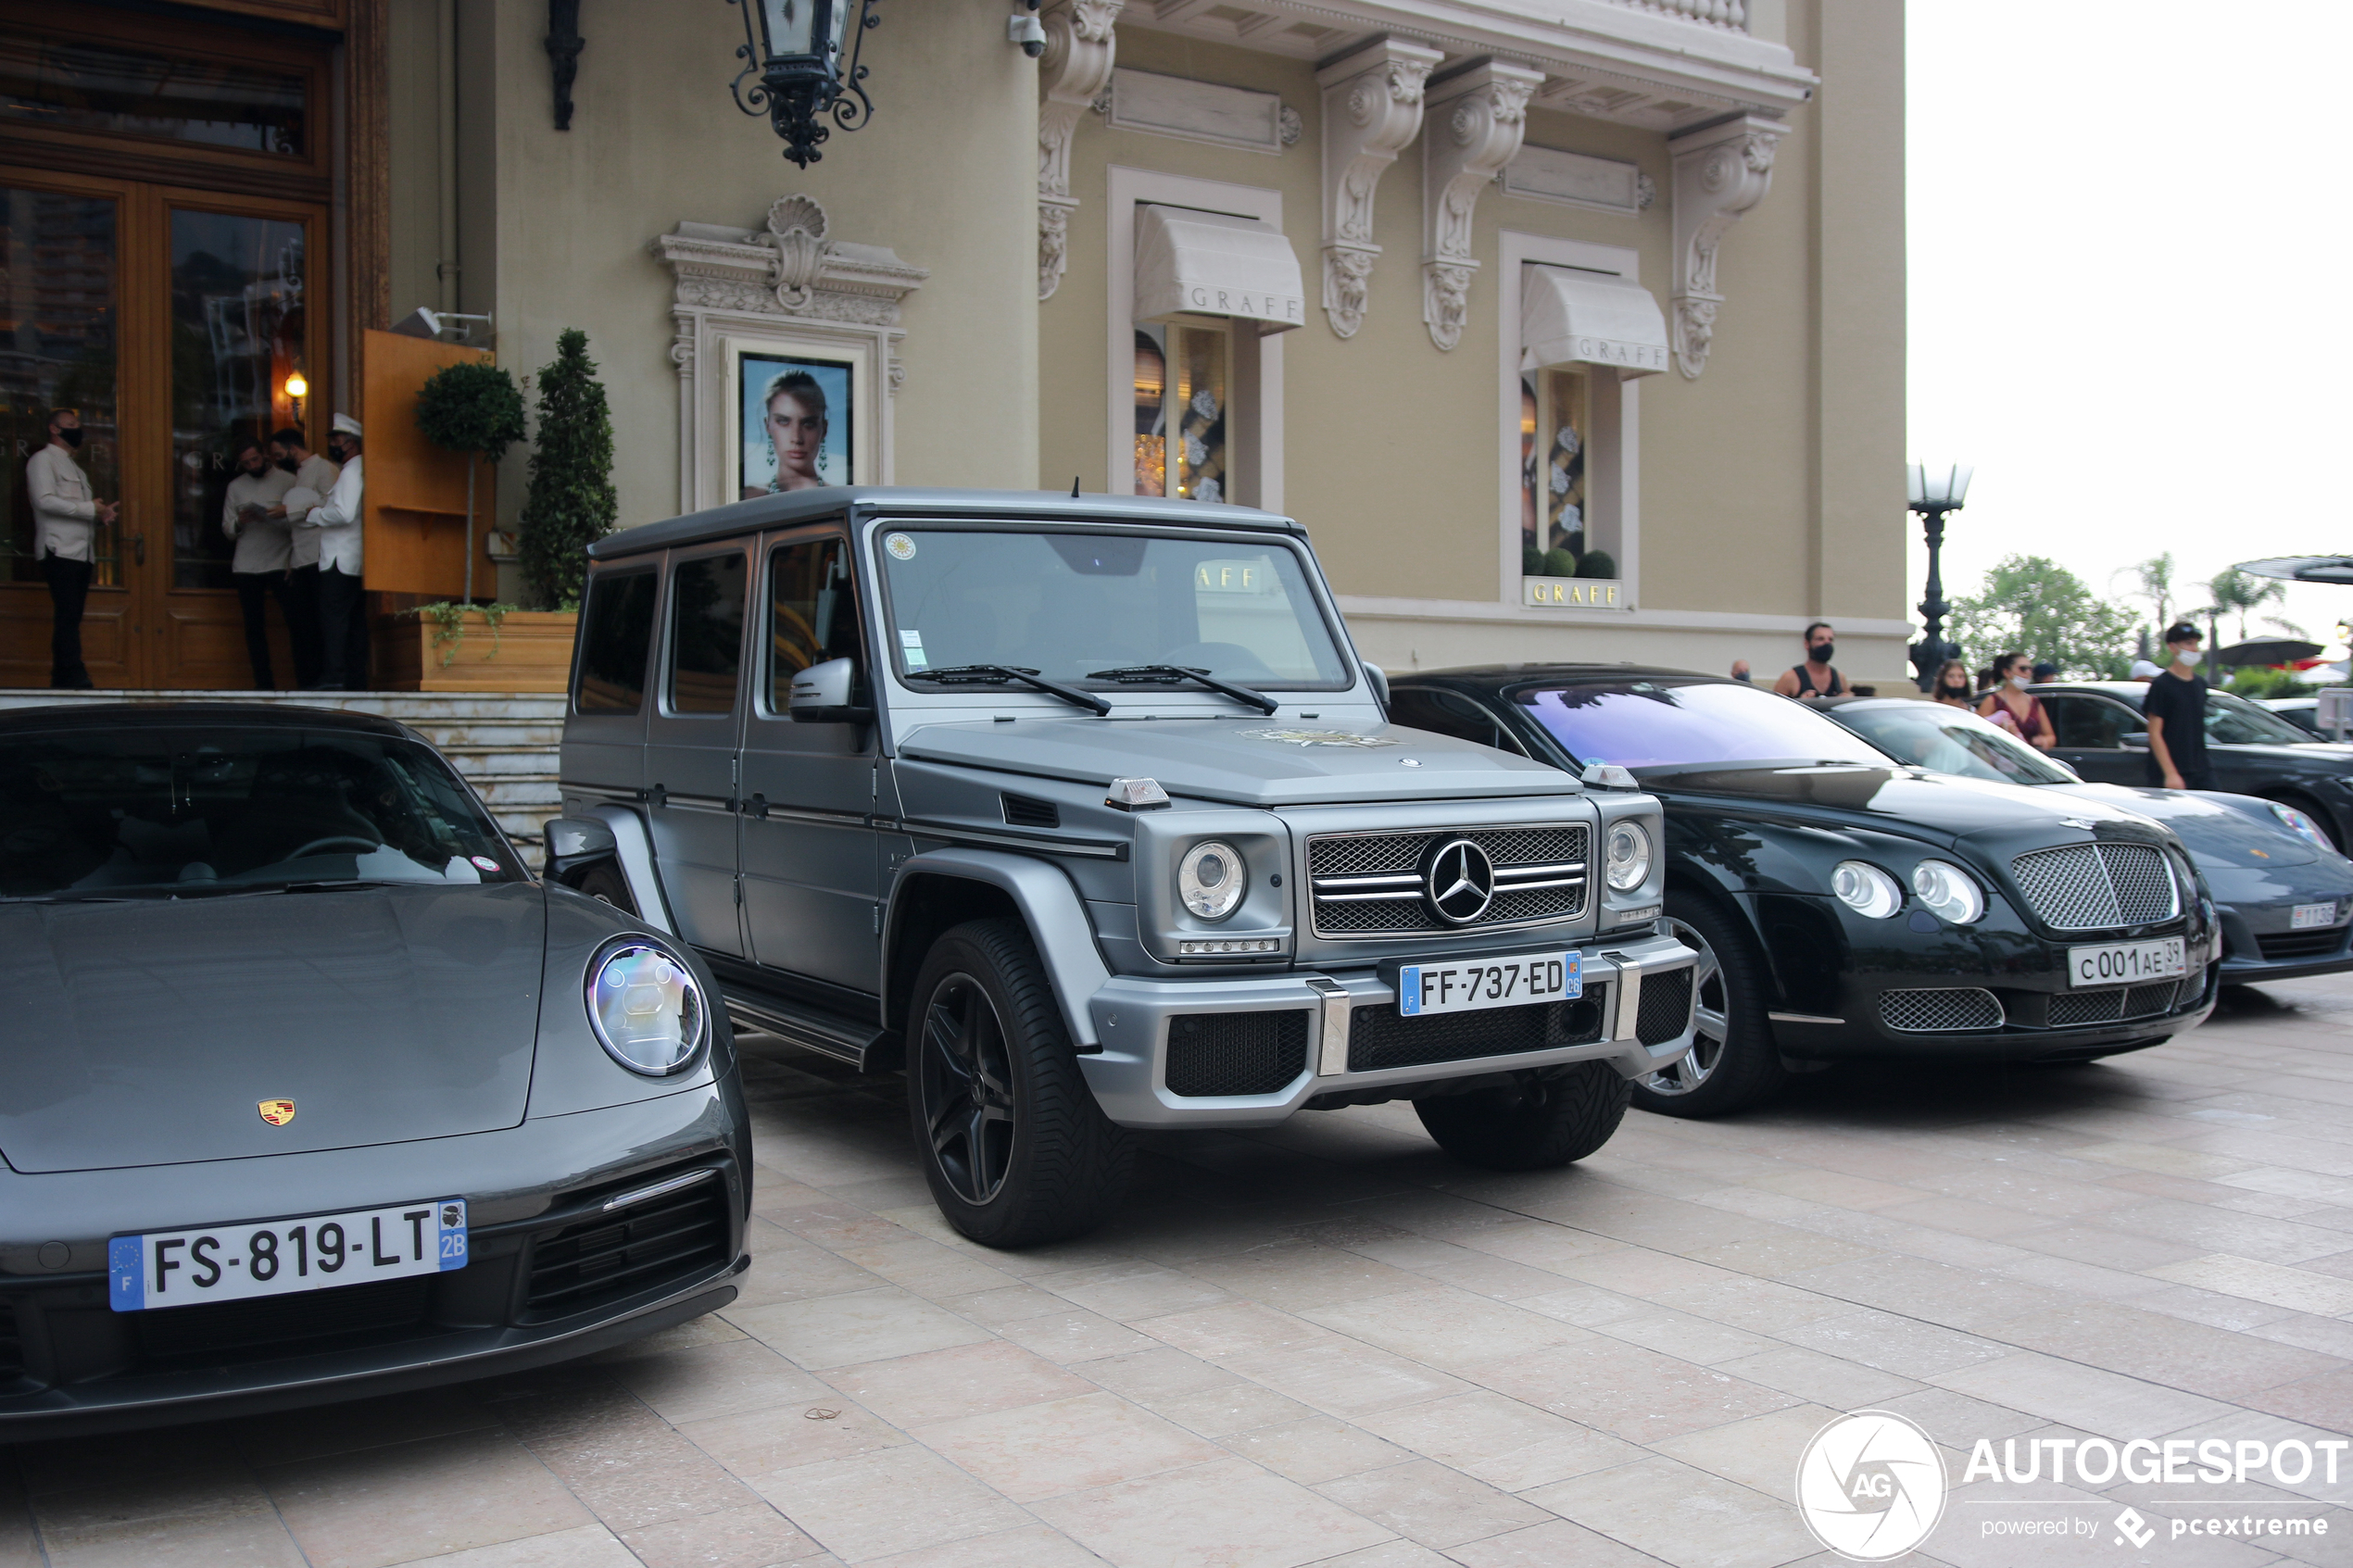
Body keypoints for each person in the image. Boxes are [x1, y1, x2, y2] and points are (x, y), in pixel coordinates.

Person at [27, 408, 120, 689]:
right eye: (70, 424)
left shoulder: (75, 467)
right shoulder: (42, 460)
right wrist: (88, 508)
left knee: (71, 616)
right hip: (59, 549)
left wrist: (99, 516)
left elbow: (77, 512)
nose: (77, 428)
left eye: (77, 423)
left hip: (82, 552)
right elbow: (44, 501)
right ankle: (74, 675)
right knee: (67, 614)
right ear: (55, 429)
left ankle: (62, 677)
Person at [267, 425, 340, 688]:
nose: (276, 460)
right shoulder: (298, 476)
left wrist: (289, 508)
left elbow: (332, 505)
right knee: (302, 623)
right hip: (300, 558)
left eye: (278, 453)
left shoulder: (325, 470)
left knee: (319, 620)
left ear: (292, 448)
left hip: (319, 556)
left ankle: (324, 676)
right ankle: (306, 679)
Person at [301, 413, 368, 690]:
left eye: (337, 440)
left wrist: (315, 514)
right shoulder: (356, 469)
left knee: (335, 621)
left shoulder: (353, 471)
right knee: (350, 623)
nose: (333, 445)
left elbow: (343, 513)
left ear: (351, 444)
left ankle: (334, 677)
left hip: (340, 560)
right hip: (350, 558)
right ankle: (350, 678)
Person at [222, 439, 296, 688]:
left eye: (255, 459)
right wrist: (240, 521)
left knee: (295, 622)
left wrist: (274, 515)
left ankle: (302, 680)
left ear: (265, 455)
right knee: (254, 628)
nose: (252, 465)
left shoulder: (288, 480)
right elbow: (227, 529)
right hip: (247, 564)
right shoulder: (236, 486)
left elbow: (299, 523)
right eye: (246, 463)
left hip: (280, 560)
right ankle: (263, 684)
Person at [2145, 621, 2213, 791]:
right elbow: (2154, 733)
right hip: (2172, 771)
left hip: (2201, 769)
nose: (2194, 649)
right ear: (2173, 648)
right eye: (2188, 644)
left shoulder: (2200, 684)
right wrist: (2171, 774)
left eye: (2196, 644)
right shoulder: (2162, 685)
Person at [743, 371, 831, 499]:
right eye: (783, 422)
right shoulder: (750, 498)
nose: (796, 438)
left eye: (808, 424)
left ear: (824, 429)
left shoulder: (839, 500)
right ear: (768, 425)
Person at [1977, 652, 2056, 749]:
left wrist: (2044, 741)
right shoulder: (1992, 701)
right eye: (2023, 669)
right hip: (2001, 759)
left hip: (2029, 760)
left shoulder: (2034, 702)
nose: (2028, 673)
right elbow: (1978, 735)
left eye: (2030, 669)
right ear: (2007, 672)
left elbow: (2050, 735)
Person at [1772, 621, 1846, 701]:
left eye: (1830, 639)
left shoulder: (1839, 678)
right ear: (1807, 644)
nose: (1826, 643)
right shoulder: (1790, 677)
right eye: (1820, 639)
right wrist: (1801, 703)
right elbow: (1775, 708)